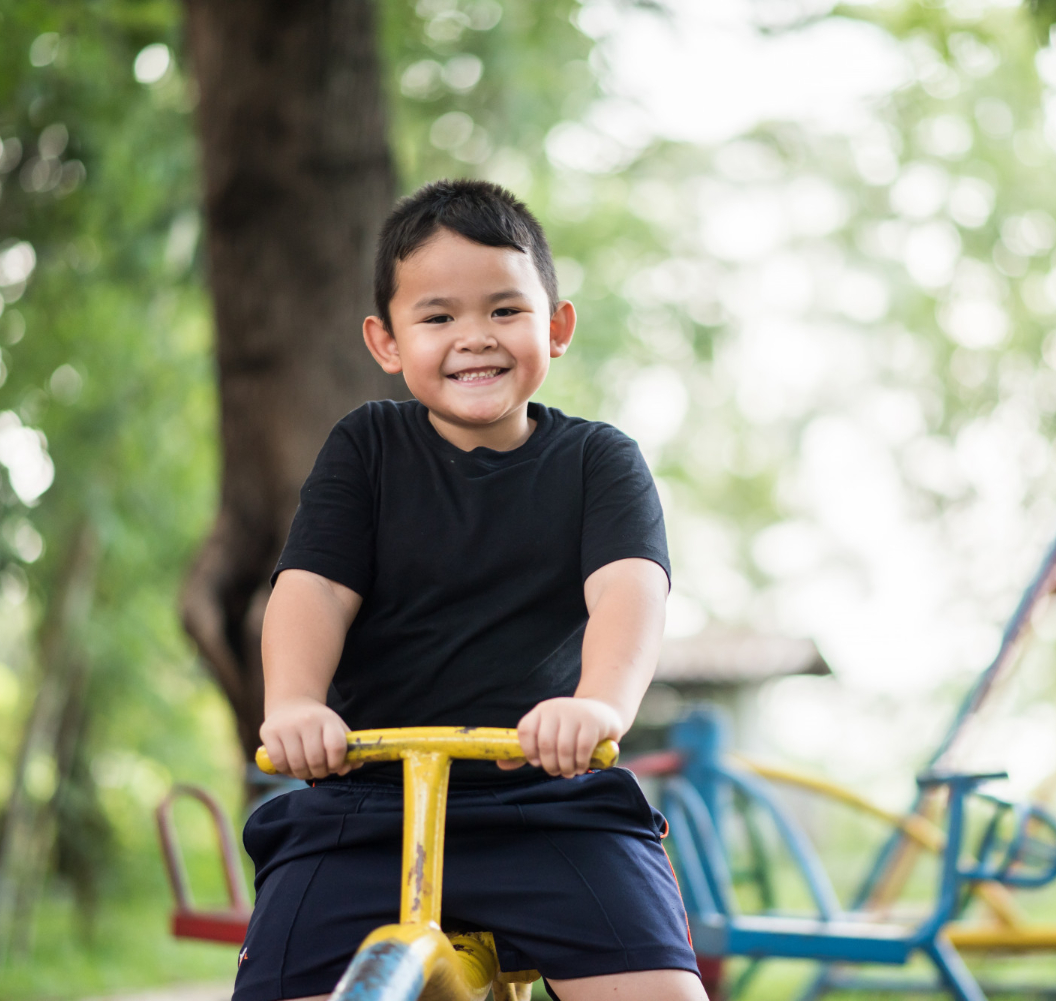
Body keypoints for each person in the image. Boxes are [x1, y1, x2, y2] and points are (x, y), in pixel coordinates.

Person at [233, 180, 707, 1001]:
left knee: (660, 990)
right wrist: (297, 702)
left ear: (555, 328)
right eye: (439, 316)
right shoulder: (366, 449)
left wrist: (597, 704)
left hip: (547, 801)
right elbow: (314, 589)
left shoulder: (598, 462)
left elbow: (630, 590)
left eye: (504, 310)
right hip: (369, 806)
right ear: (387, 341)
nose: (474, 338)